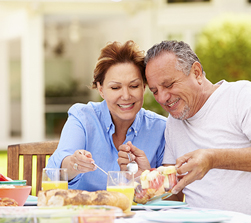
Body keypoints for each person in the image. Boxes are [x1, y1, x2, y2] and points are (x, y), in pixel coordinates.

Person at [144, 40, 251, 223]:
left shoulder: (241, 95)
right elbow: (173, 196)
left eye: (169, 85)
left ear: (196, 72)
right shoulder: (174, 123)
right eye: (155, 91)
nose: (162, 98)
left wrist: (213, 159)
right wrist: (147, 177)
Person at [47, 40, 166, 192]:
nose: (126, 95)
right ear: (101, 89)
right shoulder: (83, 117)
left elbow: (169, 196)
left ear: (144, 87)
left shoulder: (160, 128)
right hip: (86, 212)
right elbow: (54, 173)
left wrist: (145, 177)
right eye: (115, 87)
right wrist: (74, 164)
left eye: (134, 86)